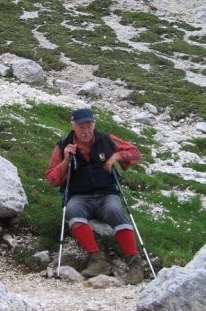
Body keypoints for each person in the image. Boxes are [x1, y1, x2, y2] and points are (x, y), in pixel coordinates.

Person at [45, 108, 145, 284]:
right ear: (73, 126)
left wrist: (117, 156)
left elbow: (135, 153)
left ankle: (134, 261)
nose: (86, 131)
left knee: (114, 210)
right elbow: (52, 179)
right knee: (73, 210)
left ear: (94, 125)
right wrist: (66, 160)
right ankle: (97, 259)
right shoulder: (63, 146)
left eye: (89, 126)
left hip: (107, 193)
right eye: (81, 126)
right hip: (80, 196)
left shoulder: (106, 140)